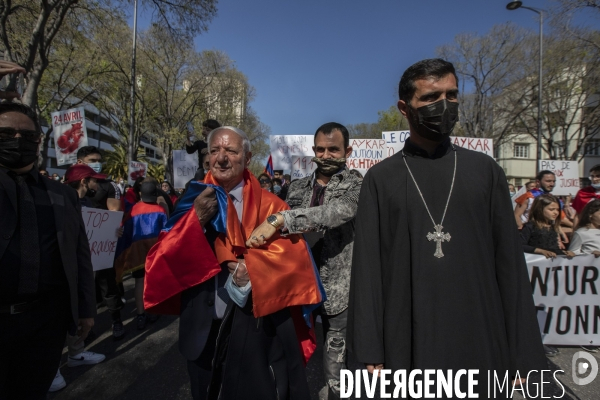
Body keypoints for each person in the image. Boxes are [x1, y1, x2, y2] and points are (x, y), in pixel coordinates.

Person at [347, 59, 546, 396]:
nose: (444, 105)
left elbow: (509, 265)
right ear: (404, 107)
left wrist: (524, 354)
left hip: (479, 328)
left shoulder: (485, 171)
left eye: (451, 95)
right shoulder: (381, 179)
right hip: (406, 331)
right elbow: (368, 269)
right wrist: (368, 349)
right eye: (430, 97)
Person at [144, 126, 324, 400]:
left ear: (247, 157)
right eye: (215, 150)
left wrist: (253, 268)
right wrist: (197, 220)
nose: (221, 157)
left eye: (231, 150)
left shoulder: (273, 206)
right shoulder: (192, 199)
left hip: (256, 328)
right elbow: (161, 257)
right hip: (203, 329)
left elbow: (295, 261)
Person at [247, 122, 362, 399]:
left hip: (339, 291)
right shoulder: (296, 187)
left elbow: (336, 213)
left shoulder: (357, 183)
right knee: (293, 358)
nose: (326, 155)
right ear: (313, 150)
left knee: (336, 368)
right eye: (320, 149)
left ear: (347, 150)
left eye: (333, 149)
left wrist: (281, 220)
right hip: (298, 287)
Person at [0, 102, 96, 398]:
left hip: (46, 323)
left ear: (39, 141)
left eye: (27, 135)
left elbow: (80, 255)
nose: (18, 140)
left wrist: (86, 309)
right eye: (6, 133)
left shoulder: (63, 194)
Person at [76, 146, 126, 339]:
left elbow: (113, 214)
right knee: (82, 287)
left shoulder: (110, 186)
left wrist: (114, 228)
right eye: (92, 160)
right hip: (77, 245)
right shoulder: (69, 184)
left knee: (108, 285)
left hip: (101, 246)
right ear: (80, 162)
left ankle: (116, 321)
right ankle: (83, 328)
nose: (97, 163)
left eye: (99, 160)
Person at [115, 181, 167, 330]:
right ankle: (152, 310)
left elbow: (124, 231)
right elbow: (166, 233)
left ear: (139, 194)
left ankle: (140, 315)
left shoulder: (133, 210)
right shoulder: (160, 210)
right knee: (152, 282)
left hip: (137, 254)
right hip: (155, 253)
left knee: (139, 283)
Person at [569, 199, 600, 353]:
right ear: (590, 215)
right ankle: (588, 338)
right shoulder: (582, 234)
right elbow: (572, 255)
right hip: (590, 281)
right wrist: (589, 256)